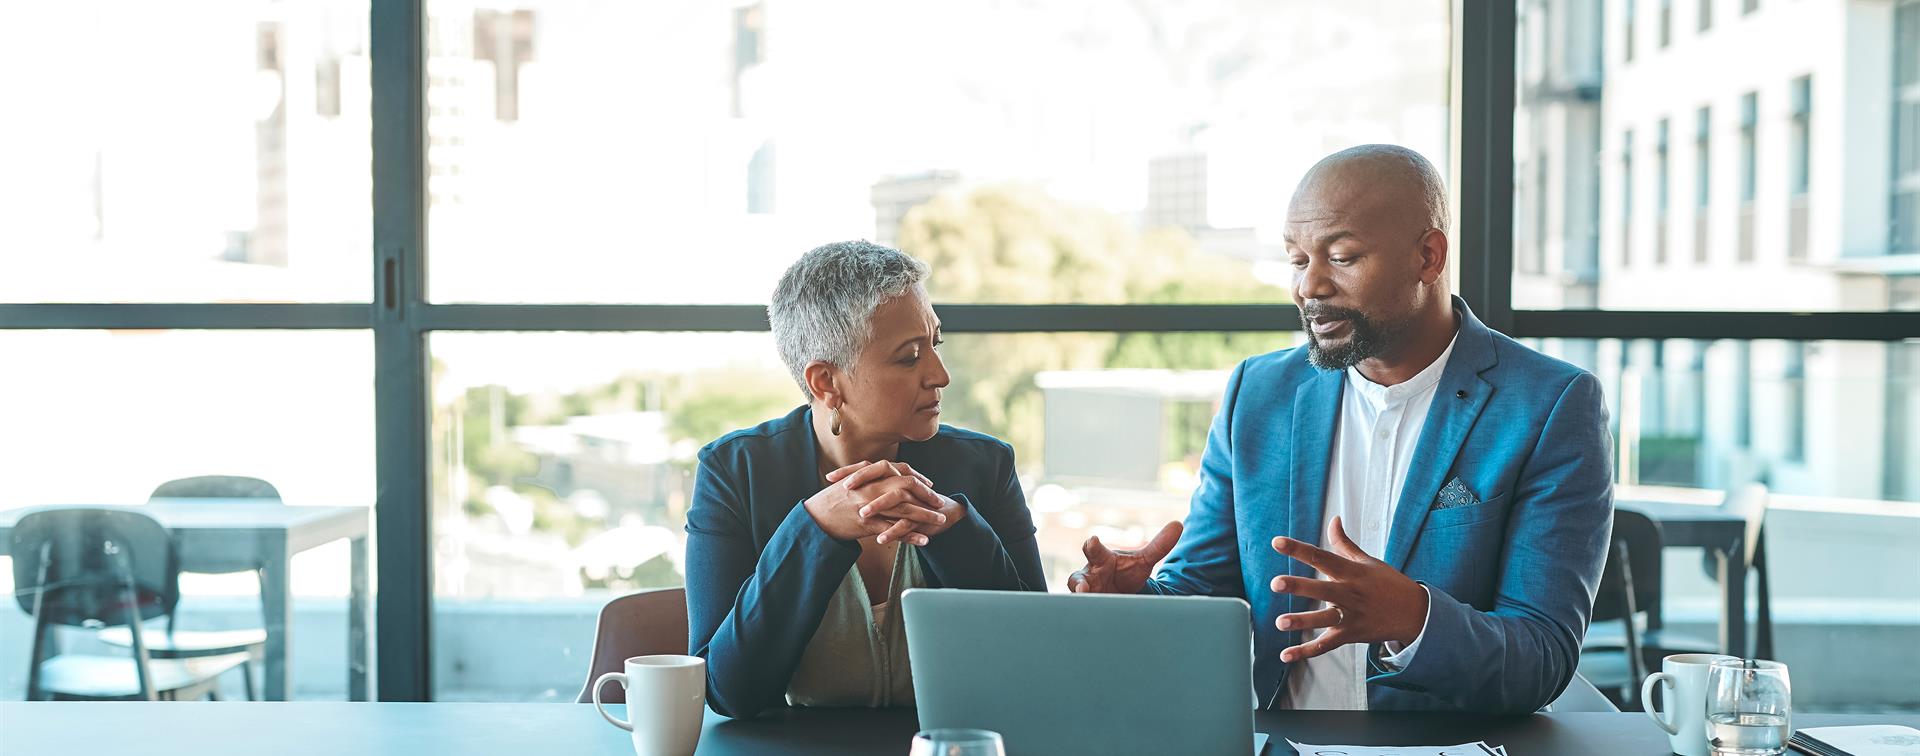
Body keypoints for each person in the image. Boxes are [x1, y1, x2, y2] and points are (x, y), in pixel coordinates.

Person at [1069, 145, 1613, 713]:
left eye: (1342, 257)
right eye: (1298, 260)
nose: (1310, 287)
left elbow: (1543, 656)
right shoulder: (1256, 394)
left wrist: (1414, 619)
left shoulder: (1551, 405)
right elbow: (1204, 593)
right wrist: (1135, 604)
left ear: (1428, 257)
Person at [686, 240, 1046, 718]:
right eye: (909, 357)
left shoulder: (985, 467)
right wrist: (815, 530)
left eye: (934, 345)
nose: (940, 375)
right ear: (826, 383)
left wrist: (957, 528)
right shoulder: (734, 473)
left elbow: (1036, 657)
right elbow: (728, 691)